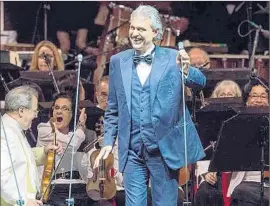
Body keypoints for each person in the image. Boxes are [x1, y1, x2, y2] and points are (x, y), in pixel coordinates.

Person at [94, 5, 206, 206]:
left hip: (163, 149)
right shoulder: (118, 61)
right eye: (132, 28)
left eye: (141, 29)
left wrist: (187, 69)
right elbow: (113, 109)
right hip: (132, 149)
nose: (134, 34)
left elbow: (200, 83)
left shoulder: (173, 58)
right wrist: (108, 142)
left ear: (155, 32)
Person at [1, 86, 62, 206]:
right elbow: (2, 176)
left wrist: (44, 151)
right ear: (21, 111)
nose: (35, 116)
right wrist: (23, 200)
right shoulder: (5, 133)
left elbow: (20, 158)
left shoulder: (14, 129)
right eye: (34, 111)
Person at [194, 80, 242, 206]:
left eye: (230, 94)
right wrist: (206, 173)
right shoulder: (207, 123)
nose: (226, 97)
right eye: (222, 95)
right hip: (212, 172)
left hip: (237, 174)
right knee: (204, 192)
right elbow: (202, 150)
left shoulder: (243, 120)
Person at [36, 93, 89, 206]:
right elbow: (72, 144)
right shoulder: (45, 129)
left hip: (79, 187)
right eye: (56, 108)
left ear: (72, 114)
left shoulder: (74, 134)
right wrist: (81, 126)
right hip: (55, 189)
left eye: (65, 109)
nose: (59, 111)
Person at [228, 78, 269, 206]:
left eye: (263, 96)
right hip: (246, 182)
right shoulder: (236, 125)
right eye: (254, 96)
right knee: (242, 193)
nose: (259, 100)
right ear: (246, 101)